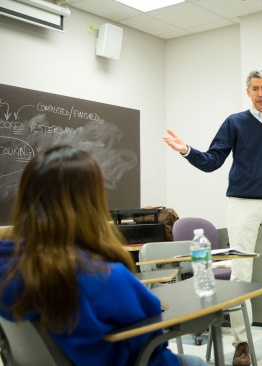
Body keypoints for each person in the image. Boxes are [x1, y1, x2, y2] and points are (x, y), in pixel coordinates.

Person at [0, 145, 206, 366]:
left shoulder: (8, 266)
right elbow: (153, 341)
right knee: (196, 362)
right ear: (90, 202)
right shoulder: (103, 278)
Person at [162, 69, 262, 366]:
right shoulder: (235, 122)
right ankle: (242, 343)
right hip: (242, 202)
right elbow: (213, 160)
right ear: (248, 92)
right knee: (241, 274)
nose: (260, 93)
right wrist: (186, 150)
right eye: (254, 89)